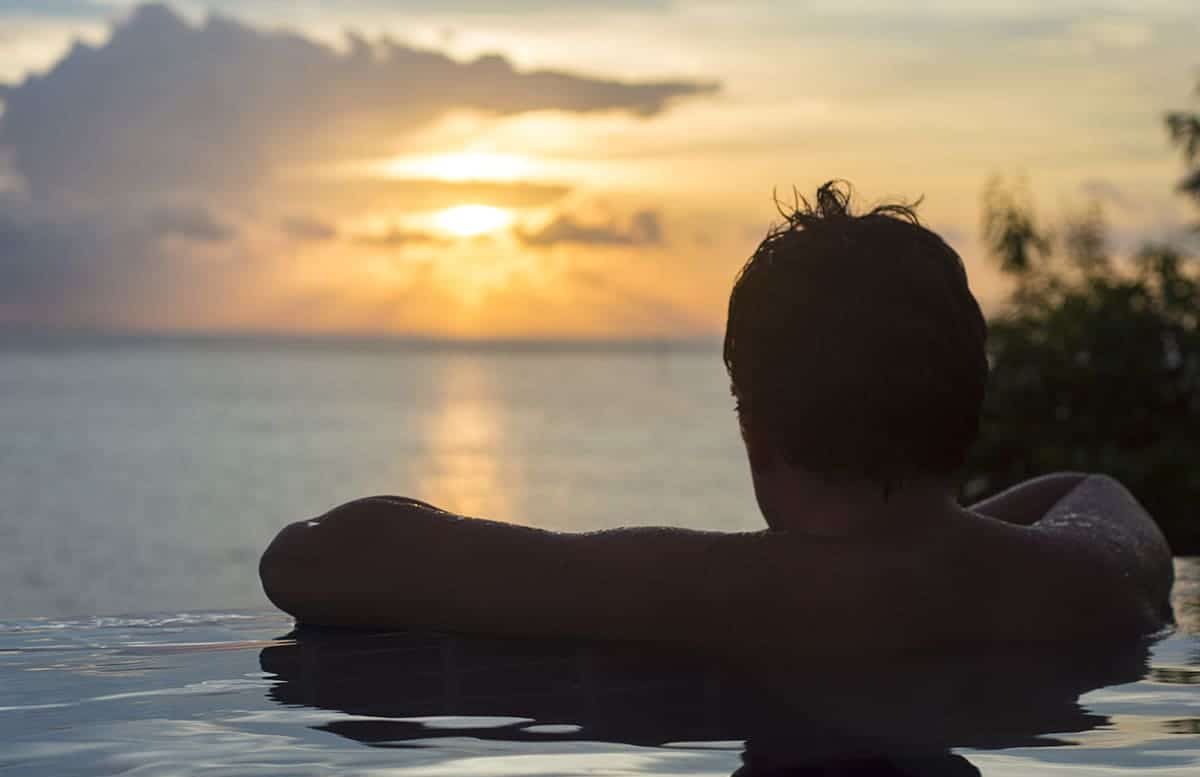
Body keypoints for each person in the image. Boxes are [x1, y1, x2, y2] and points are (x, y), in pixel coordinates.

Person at [259, 181, 1174, 651]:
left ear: (754, 427)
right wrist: (946, 545)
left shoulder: (688, 591)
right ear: (967, 404)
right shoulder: (1094, 582)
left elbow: (309, 561)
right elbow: (1091, 490)